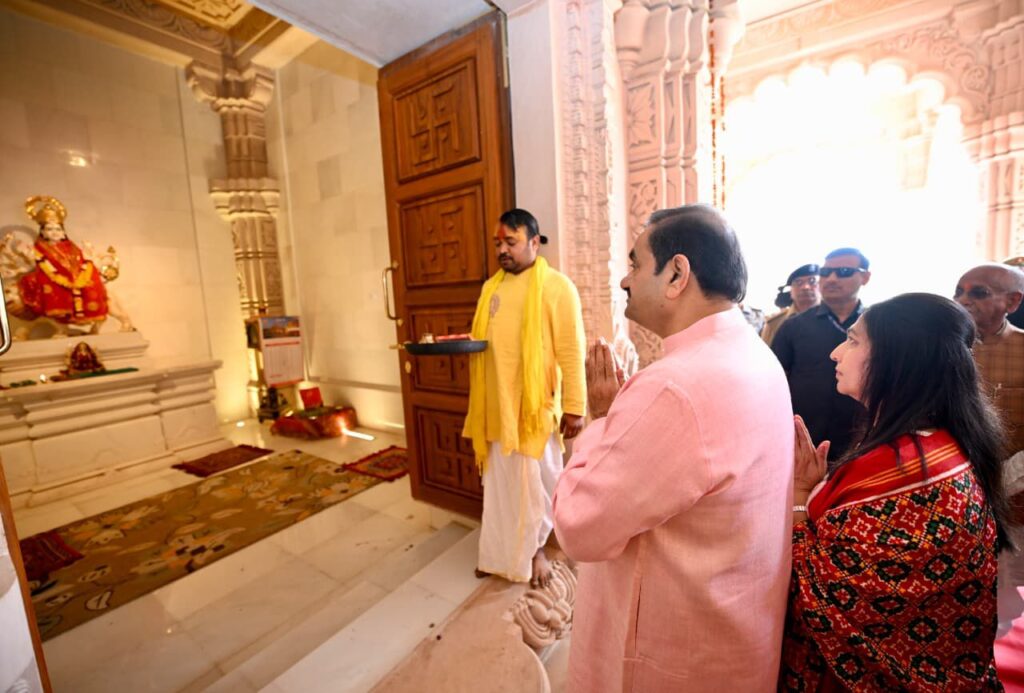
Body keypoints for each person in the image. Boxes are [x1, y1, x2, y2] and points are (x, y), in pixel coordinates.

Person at [553, 204, 794, 691]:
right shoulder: (755, 353)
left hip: (670, 654)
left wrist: (602, 421)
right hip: (733, 635)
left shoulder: (675, 387)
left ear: (677, 274)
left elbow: (578, 526)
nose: (625, 281)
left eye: (635, 264)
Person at [782, 293, 1010, 691]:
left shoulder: (899, 471)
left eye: (853, 341)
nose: (836, 353)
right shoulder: (935, 443)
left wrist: (802, 499)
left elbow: (823, 593)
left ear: (896, 359)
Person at [462, 208, 586, 587]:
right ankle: (497, 556)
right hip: (496, 406)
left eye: (511, 242)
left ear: (534, 242)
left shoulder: (556, 287)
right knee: (500, 487)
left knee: (538, 486)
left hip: (534, 409)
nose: (502, 249)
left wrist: (575, 407)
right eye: (498, 243)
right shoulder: (490, 288)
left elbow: (571, 350)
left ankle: (535, 552)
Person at [772, 248, 871, 458]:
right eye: (825, 272)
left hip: (861, 443)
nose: (832, 279)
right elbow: (774, 382)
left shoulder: (876, 328)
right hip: (801, 442)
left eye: (843, 272)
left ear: (865, 277)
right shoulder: (793, 326)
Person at [955, 263, 1024, 455]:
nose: (962, 300)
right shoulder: (937, 348)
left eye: (979, 293)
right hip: (950, 465)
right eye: (958, 292)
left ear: (1012, 301)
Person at [15, 195, 110, 328]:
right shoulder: (39, 248)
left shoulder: (72, 247)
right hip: (51, 278)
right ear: (43, 232)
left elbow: (81, 260)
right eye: (49, 229)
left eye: (58, 229)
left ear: (63, 232)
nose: (54, 232)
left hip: (77, 276)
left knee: (92, 285)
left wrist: (80, 270)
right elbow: (39, 262)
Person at [761, 263, 820, 346]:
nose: (805, 287)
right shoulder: (774, 324)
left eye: (812, 281)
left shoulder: (835, 317)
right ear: (791, 291)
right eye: (799, 282)